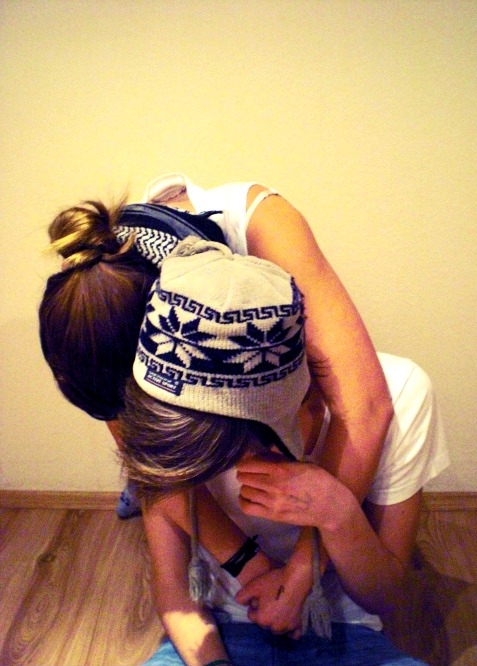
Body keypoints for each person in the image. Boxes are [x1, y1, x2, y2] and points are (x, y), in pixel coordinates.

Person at [38, 172, 395, 635]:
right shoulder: (95, 288)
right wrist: (250, 565)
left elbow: (366, 409)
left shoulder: (267, 229)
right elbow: (150, 460)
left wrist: (299, 576)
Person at [117, 237, 450, 665]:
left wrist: (338, 514)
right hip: (217, 630)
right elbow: (175, 593)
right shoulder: (169, 433)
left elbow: (387, 597)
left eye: (233, 453)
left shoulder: (401, 394)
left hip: (344, 631)